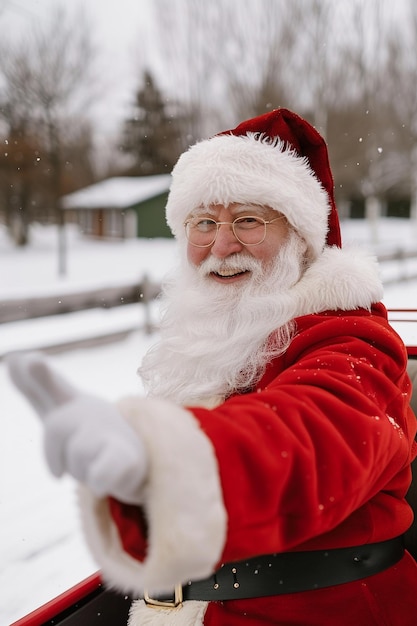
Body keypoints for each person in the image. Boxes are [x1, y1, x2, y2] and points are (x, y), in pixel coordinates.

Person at [7, 108, 417, 626]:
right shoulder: (213, 342)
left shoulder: (355, 341)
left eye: (247, 220)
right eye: (204, 223)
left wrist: (171, 459)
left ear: (301, 238)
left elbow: (318, 435)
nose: (221, 246)